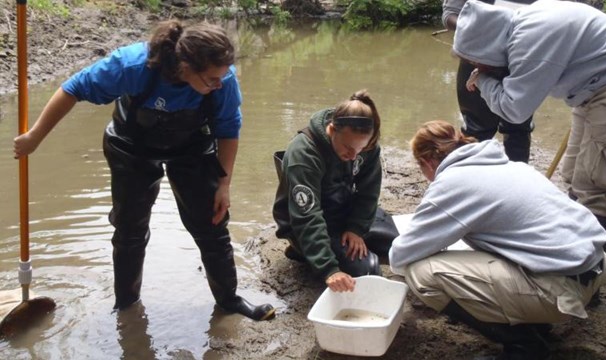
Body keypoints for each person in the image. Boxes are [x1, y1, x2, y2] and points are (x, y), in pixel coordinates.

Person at [13, 20, 275, 321]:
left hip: (192, 147)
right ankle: (126, 308)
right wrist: (35, 137)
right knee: (129, 230)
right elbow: (73, 89)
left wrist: (224, 184)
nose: (220, 83)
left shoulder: (223, 82)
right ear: (185, 66)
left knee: (212, 225)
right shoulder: (133, 65)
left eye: (222, 77)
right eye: (212, 79)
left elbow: (229, 129)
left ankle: (229, 301)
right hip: (132, 145)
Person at [389, 120, 606, 360]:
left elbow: (401, 256)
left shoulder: (451, 184)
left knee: (421, 273)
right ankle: (535, 321)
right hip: (597, 267)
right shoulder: (512, 166)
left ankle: (523, 345)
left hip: (562, 292)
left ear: (427, 162)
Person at [455, 0, 606, 261]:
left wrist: (483, 81)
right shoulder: (520, 25)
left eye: (479, 62)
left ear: (488, 47)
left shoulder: (531, 41)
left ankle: (589, 277)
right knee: (575, 174)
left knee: (596, 188)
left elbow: (514, 110)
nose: (479, 68)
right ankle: (575, 253)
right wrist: (488, 75)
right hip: (590, 90)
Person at [272, 90, 397, 293]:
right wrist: (329, 270)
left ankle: (313, 250)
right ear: (332, 129)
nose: (353, 155)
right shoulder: (304, 154)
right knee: (367, 271)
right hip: (307, 220)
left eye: (360, 149)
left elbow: (369, 191)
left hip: (342, 210)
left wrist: (356, 229)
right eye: (348, 148)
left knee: (395, 245)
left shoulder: (366, 145)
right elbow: (307, 217)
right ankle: (302, 249)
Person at [442, 0, 535, 163]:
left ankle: (518, 179)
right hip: (477, 56)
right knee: (476, 129)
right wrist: (484, 27)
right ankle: (470, 179)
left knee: (519, 128)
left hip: (521, 58)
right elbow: (449, 16)